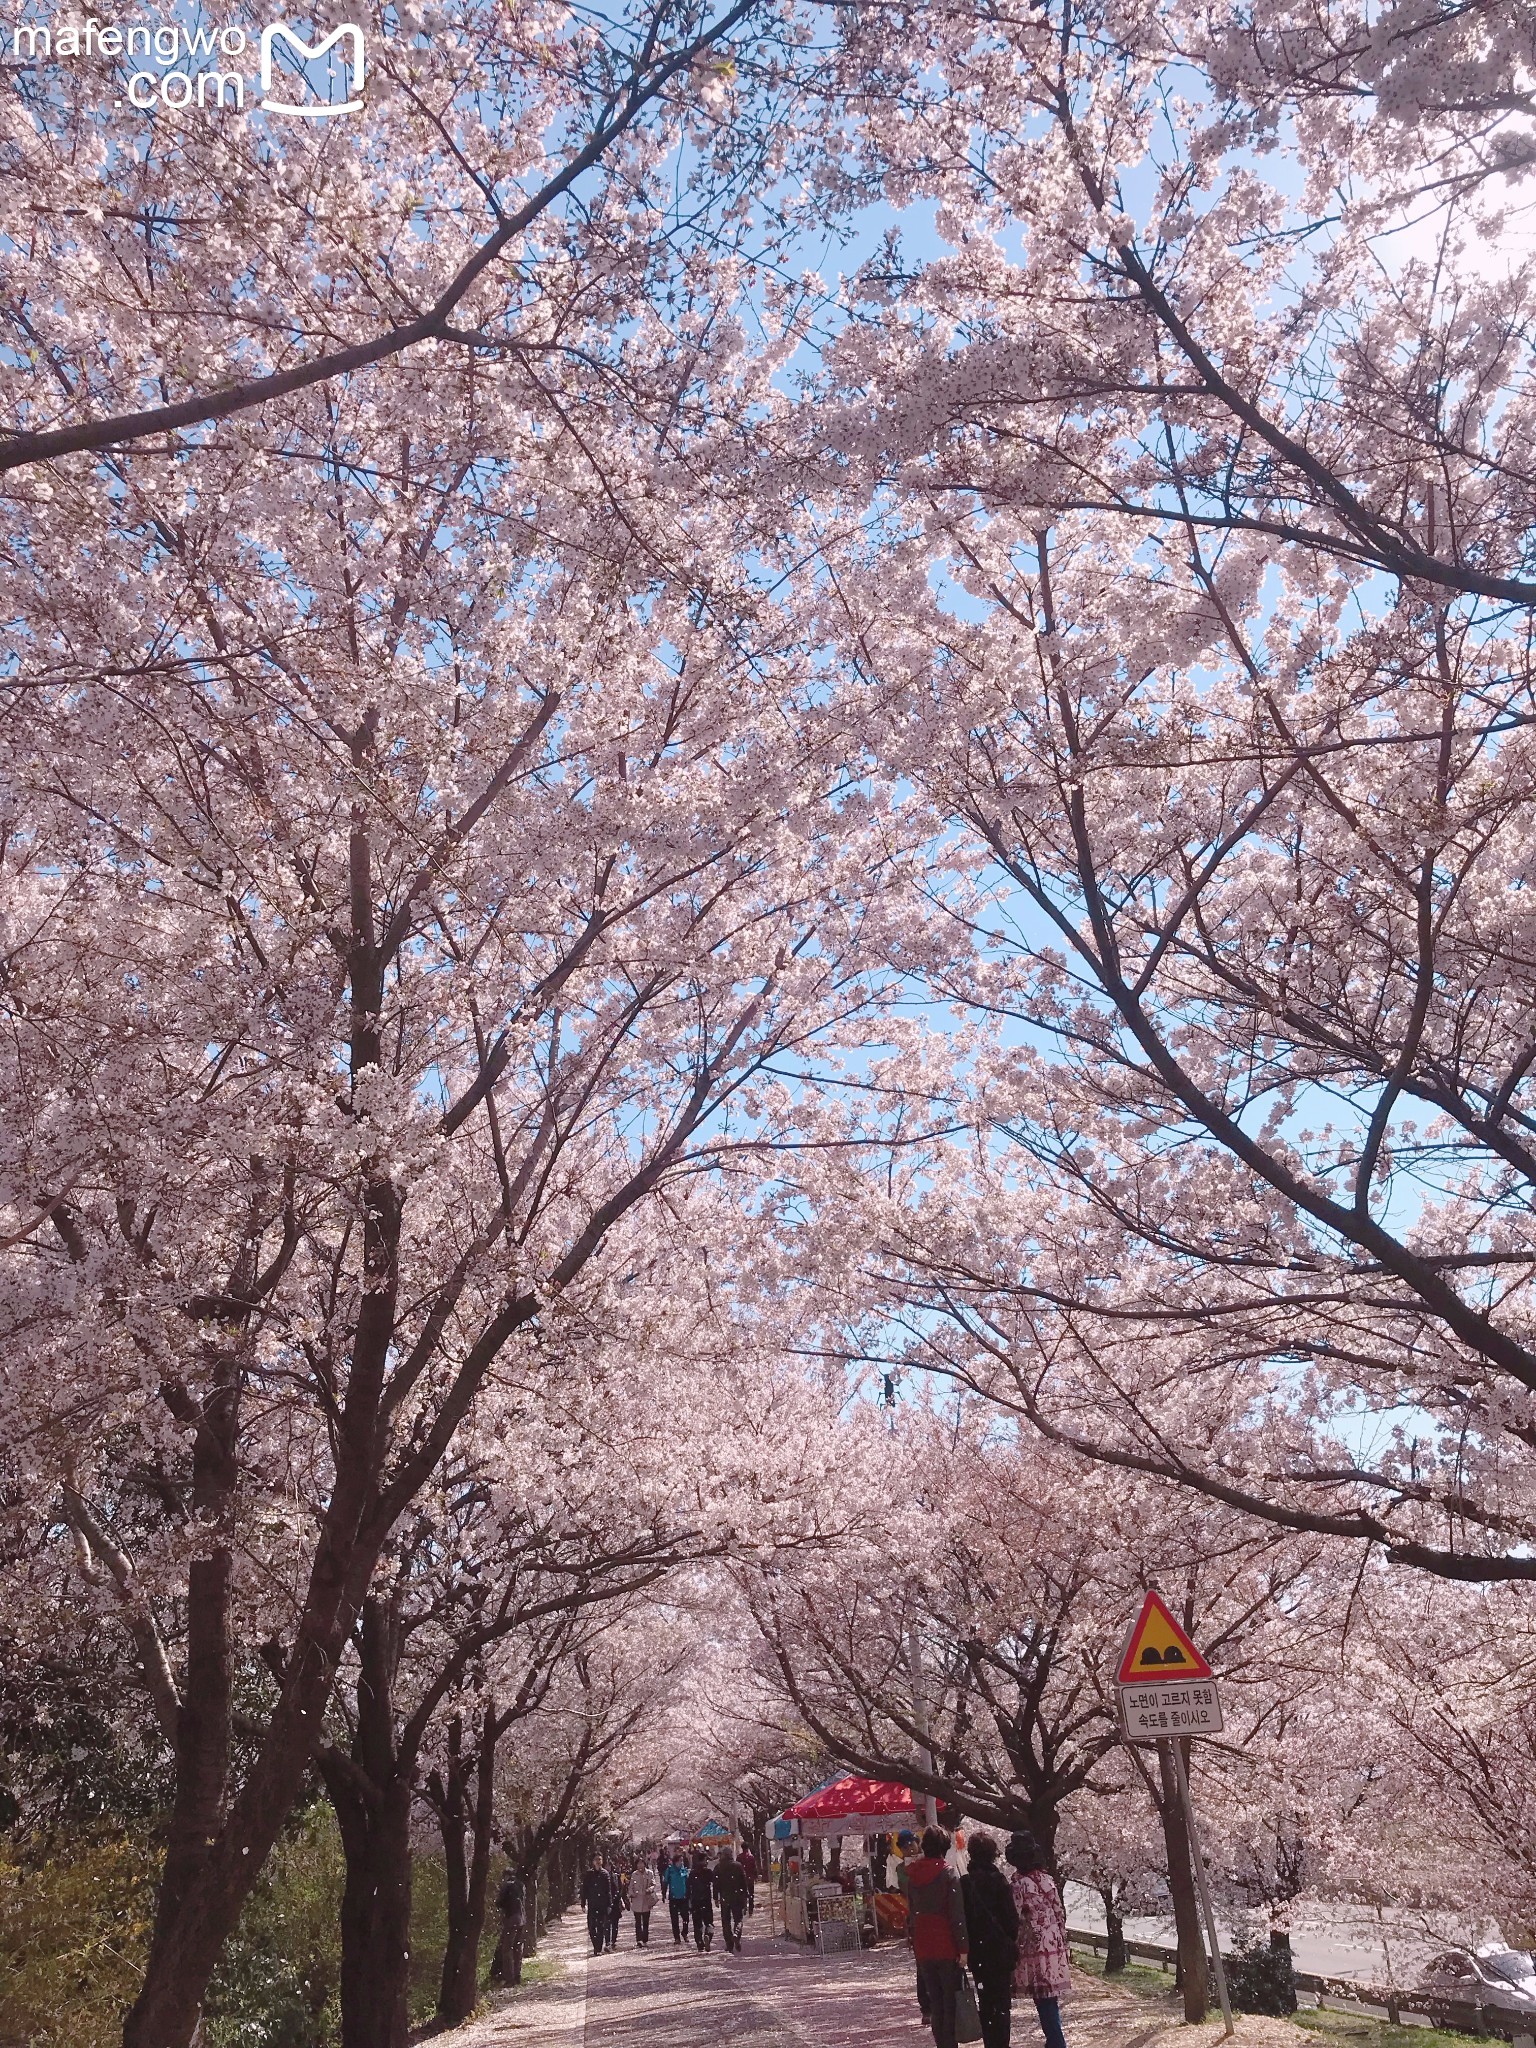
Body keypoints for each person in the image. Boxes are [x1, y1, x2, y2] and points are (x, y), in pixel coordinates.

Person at [1006, 1834, 1071, 2048]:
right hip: (1053, 1943)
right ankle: (1054, 2040)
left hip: (1033, 1946)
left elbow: (1013, 1917)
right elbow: (1059, 1911)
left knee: (1043, 1998)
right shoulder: (1046, 1879)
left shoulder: (1019, 1885)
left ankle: (1056, 2041)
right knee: (1049, 1997)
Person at [906, 1826, 969, 2048]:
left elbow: (911, 1910)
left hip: (923, 1945)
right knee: (949, 2002)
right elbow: (956, 1914)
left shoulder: (913, 1875)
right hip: (946, 1943)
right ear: (944, 1847)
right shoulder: (948, 1873)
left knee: (935, 2002)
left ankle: (941, 2044)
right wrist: (963, 1948)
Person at [962, 1833, 1020, 2048]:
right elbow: (1011, 1920)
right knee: (1002, 2004)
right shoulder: (999, 1881)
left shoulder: (965, 1883)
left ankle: (990, 2043)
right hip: (1000, 1952)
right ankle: (1001, 2043)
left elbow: (963, 1919)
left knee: (985, 2001)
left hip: (978, 1953)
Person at [492, 1859, 526, 1985]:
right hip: (521, 1919)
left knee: (507, 1949)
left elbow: (499, 1902)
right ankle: (517, 1975)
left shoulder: (506, 1885)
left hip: (511, 1918)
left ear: (505, 1876)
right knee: (518, 1948)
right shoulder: (521, 1884)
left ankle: (509, 1978)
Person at [714, 1847, 751, 1952]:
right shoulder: (738, 1866)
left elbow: (715, 1884)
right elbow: (744, 1882)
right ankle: (736, 1934)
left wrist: (715, 1897)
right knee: (738, 1919)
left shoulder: (718, 1867)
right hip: (737, 1896)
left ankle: (729, 1943)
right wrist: (746, 1895)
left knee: (725, 1921)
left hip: (725, 1897)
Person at [583, 1859, 613, 1955]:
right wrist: (583, 1903)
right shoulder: (589, 1874)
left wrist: (609, 1904)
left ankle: (598, 1949)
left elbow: (608, 1890)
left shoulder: (605, 1874)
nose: (598, 1861)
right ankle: (595, 1945)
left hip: (602, 1904)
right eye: (596, 1860)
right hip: (592, 1904)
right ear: (593, 1862)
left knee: (601, 1927)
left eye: (600, 1859)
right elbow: (584, 1889)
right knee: (591, 1927)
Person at [687, 1850, 716, 1951]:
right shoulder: (708, 1872)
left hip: (695, 1900)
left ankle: (699, 1943)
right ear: (704, 1860)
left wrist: (688, 1902)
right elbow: (715, 1883)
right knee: (709, 1922)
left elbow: (688, 1888)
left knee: (697, 1923)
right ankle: (708, 1935)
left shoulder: (692, 1873)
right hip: (706, 1900)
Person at [628, 1859, 659, 1947]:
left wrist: (650, 1889)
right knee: (638, 1922)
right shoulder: (634, 1874)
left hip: (646, 1900)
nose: (640, 1865)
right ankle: (639, 1939)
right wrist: (631, 1894)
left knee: (645, 1921)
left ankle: (645, 1939)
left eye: (642, 1863)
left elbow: (653, 1883)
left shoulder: (649, 1873)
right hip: (637, 1900)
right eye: (638, 1864)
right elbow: (630, 1886)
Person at [664, 1851, 692, 1945]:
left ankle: (684, 1932)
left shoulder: (684, 1871)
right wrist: (664, 1894)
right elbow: (665, 1882)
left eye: (682, 1861)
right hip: (674, 1898)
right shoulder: (670, 1870)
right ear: (675, 1862)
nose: (681, 1863)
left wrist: (689, 1896)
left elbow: (688, 1885)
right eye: (680, 1861)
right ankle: (677, 1937)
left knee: (686, 1918)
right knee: (674, 1919)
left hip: (683, 1898)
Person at [610, 1862, 627, 1950]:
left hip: (615, 1902)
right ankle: (608, 1942)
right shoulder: (601, 1876)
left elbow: (621, 1889)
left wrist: (622, 1899)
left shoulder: (616, 1876)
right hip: (606, 1903)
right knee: (607, 1923)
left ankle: (613, 1941)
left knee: (615, 1923)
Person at [740, 1842, 758, 1913]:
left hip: (742, 1879)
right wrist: (755, 1877)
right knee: (751, 1894)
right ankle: (751, 1909)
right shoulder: (751, 1857)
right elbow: (754, 1868)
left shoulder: (739, 1857)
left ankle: (744, 1907)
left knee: (743, 1894)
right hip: (750, 1878)